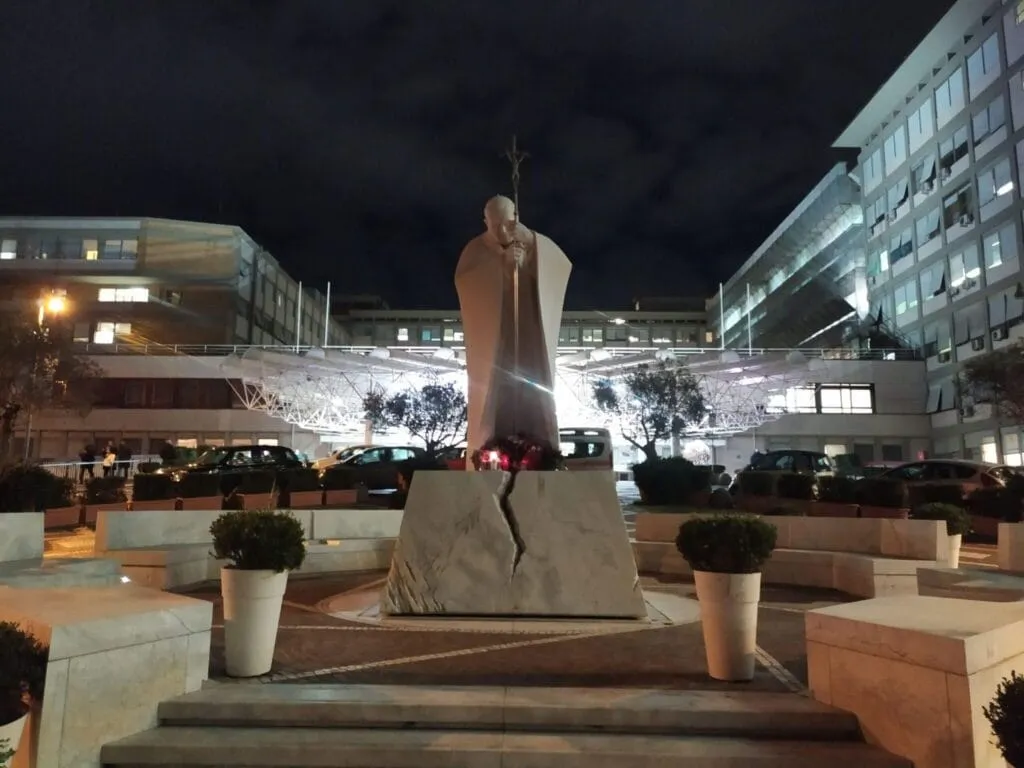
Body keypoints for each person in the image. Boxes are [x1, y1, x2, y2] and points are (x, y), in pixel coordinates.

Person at [455, 195, 571, 457]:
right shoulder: (475, 250)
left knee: (534, 383)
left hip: (529, 334)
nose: (501, 231)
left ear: (516, 216)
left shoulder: (532, 242)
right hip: (497, 338)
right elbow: (469, 284)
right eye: (494, 224)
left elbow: (559, 266)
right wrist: (502, 270)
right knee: (494, 392)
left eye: (507, 222)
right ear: (485, 221)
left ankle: (542, 448)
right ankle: (491, 447)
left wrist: (530, 249)